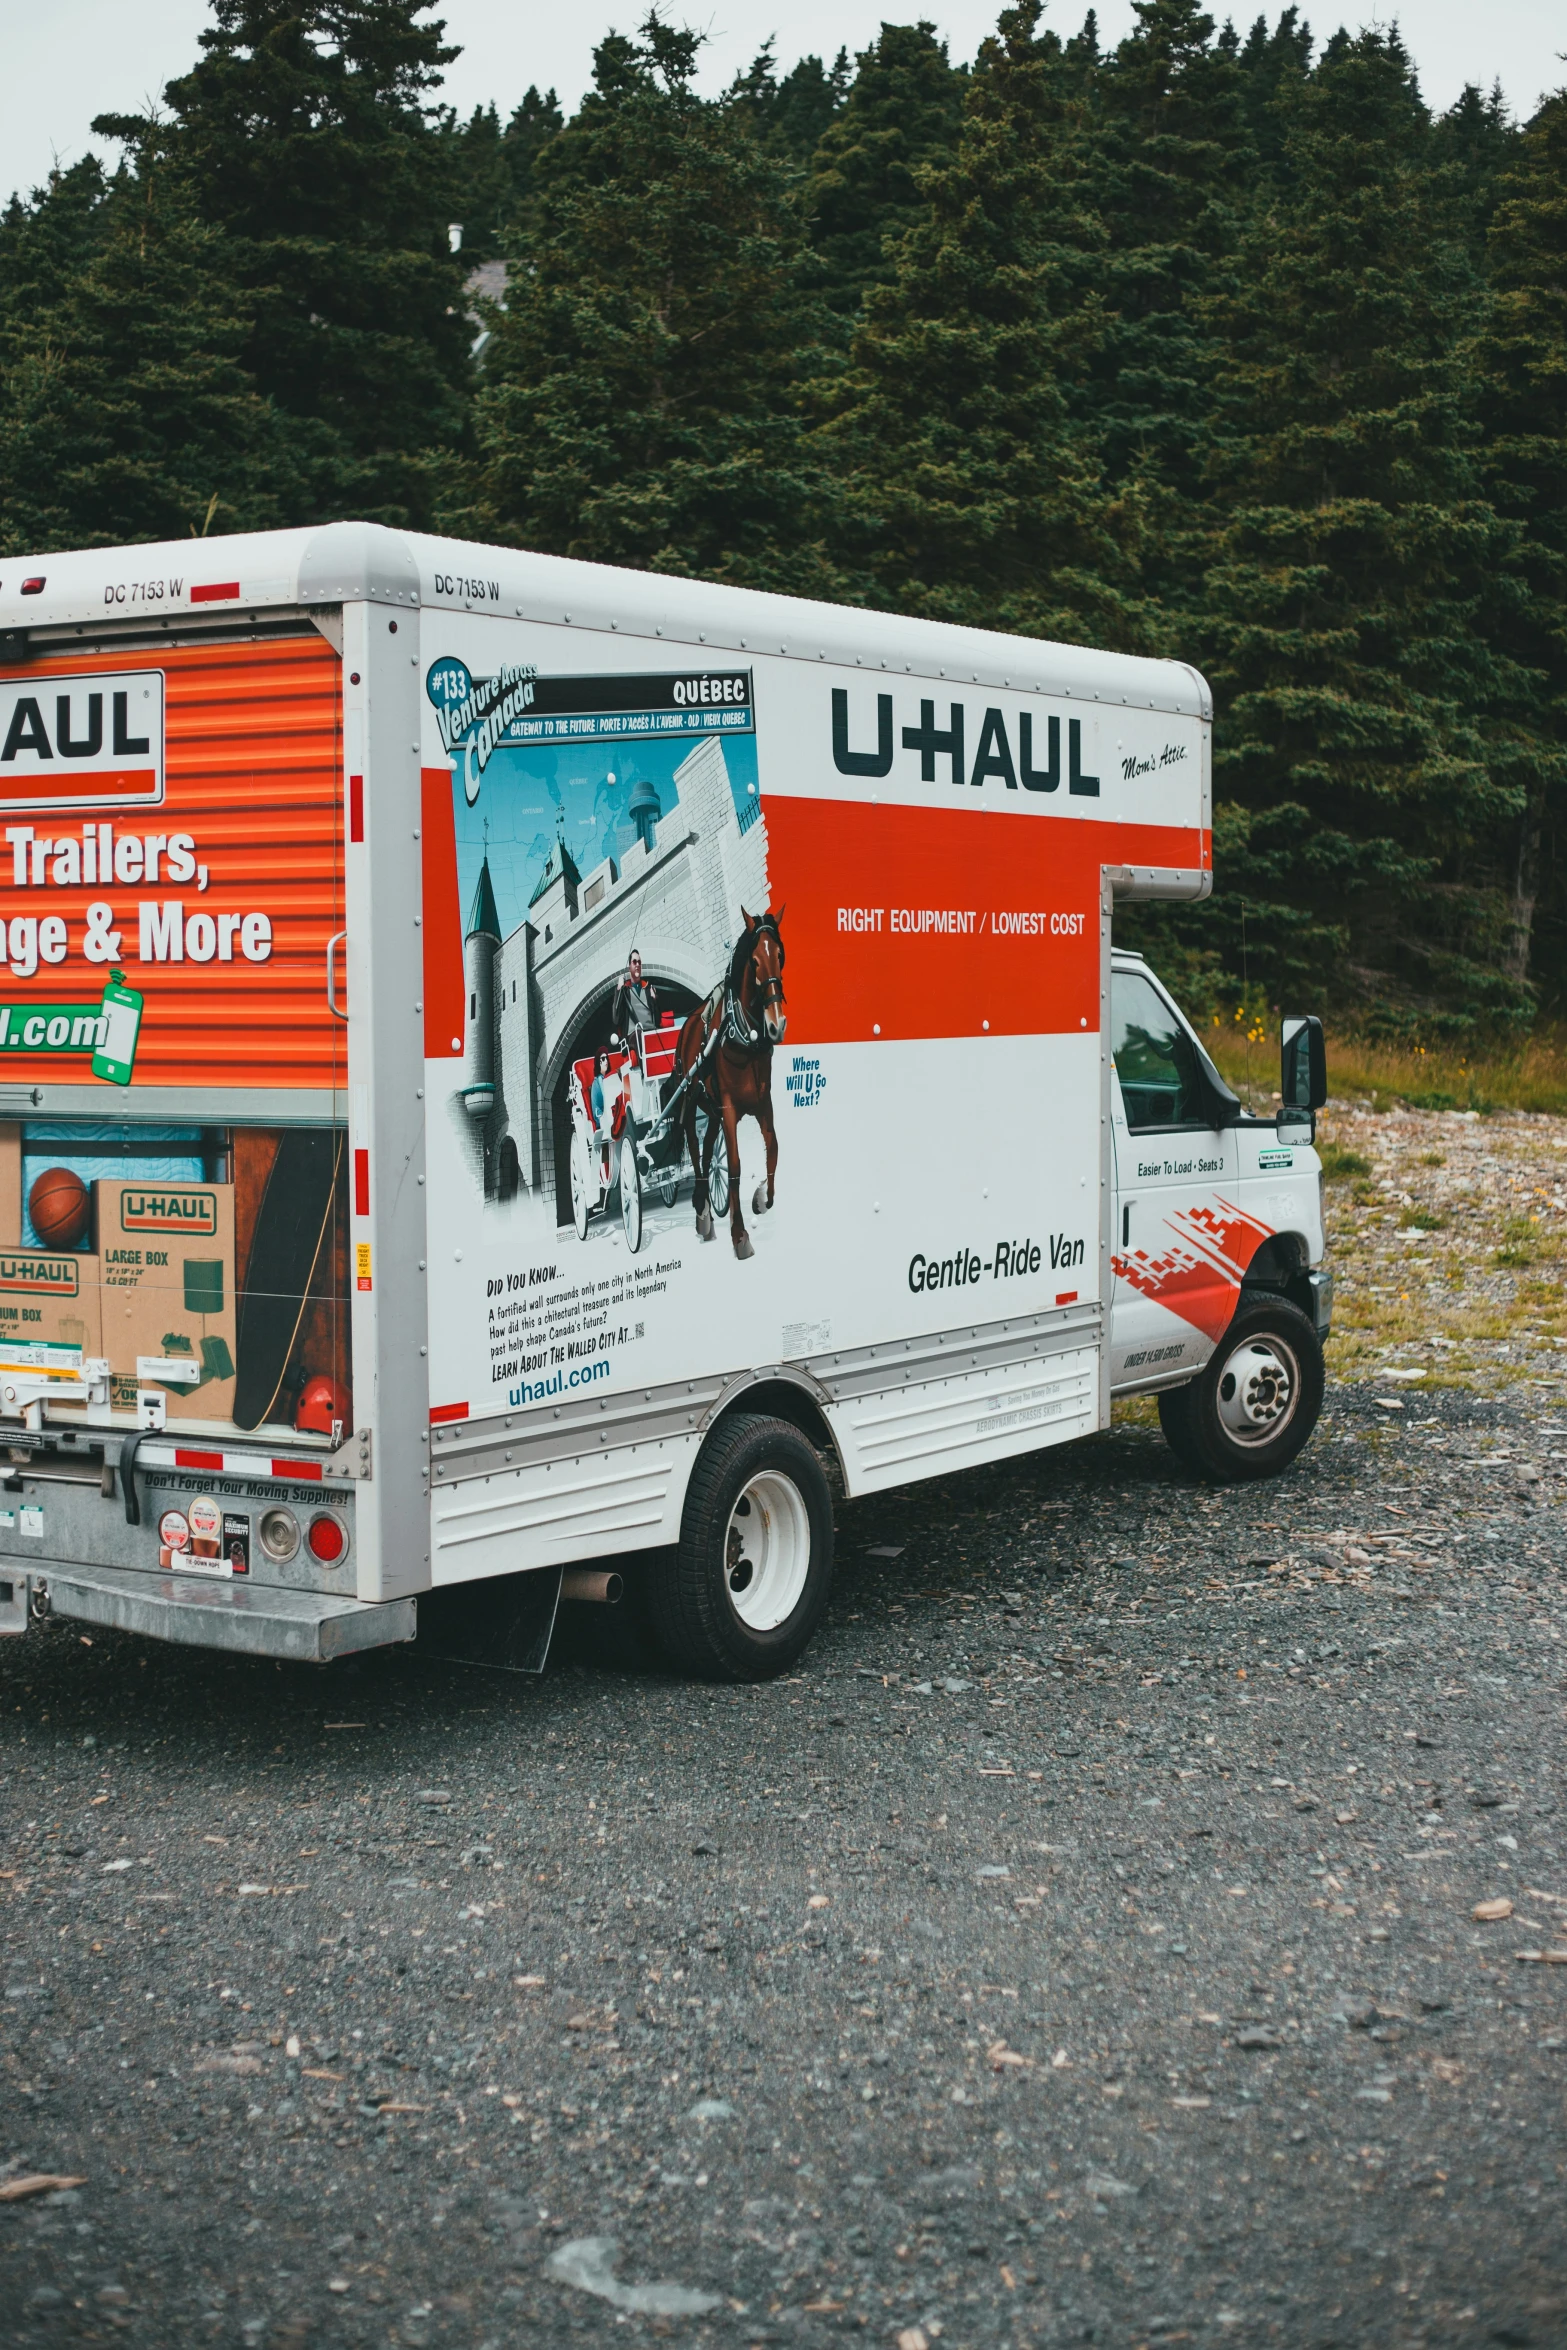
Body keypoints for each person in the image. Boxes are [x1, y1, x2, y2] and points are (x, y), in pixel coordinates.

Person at [612, 949, 659, 1067]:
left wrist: (654, 1000)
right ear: (629, 966)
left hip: (650, 1030)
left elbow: (657, 1020)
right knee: (639, 1036)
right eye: (634, 962)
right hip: (633, 1035)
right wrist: (618, 990)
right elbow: (616, 1019)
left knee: (659, 1035)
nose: (637, 965)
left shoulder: (648, 988)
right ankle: (646, 1069)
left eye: (639, 962)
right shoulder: (624, 990)